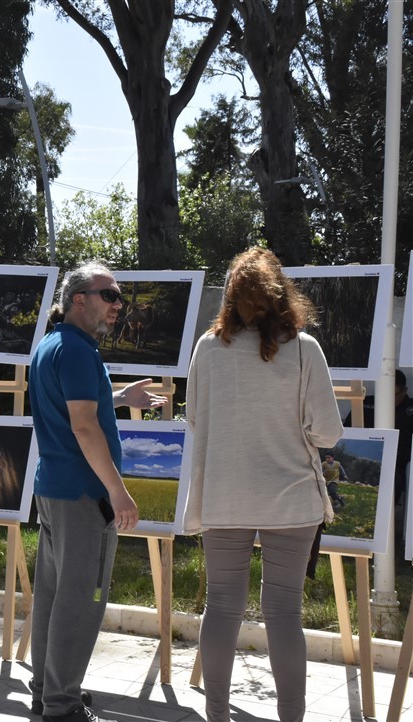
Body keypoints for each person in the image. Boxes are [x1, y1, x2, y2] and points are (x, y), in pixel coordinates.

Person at [185, 247, 343, 722]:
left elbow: (194, 415)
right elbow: (328, 433)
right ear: (281, 295)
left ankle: (217, 714)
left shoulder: (208, 349)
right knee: (284, 614)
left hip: (224, 496)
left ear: (230, 297)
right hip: (291, 500)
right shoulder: (305, 349)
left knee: (222, 606)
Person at [28, 261, 167, 722]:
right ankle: (62, 707)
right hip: (84, 495)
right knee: (80, 601)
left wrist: (121, 396)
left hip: (54, 489)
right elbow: (84, 427)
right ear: (79, 299)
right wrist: (118, 491)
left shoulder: (55, 344)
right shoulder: (79, 351)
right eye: (109, 295)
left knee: (52, 593)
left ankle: (47, 691)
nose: (118, 305)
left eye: (120, 296)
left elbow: (77, 406)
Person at [344, 369, 413, 507]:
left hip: (399, 464)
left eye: (392, 395)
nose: (386, 400)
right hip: (365, 459)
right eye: (383, 394)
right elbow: (347, 434)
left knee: (393, 481)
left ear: (404, 391)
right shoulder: (364, 404)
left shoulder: (410, 409)